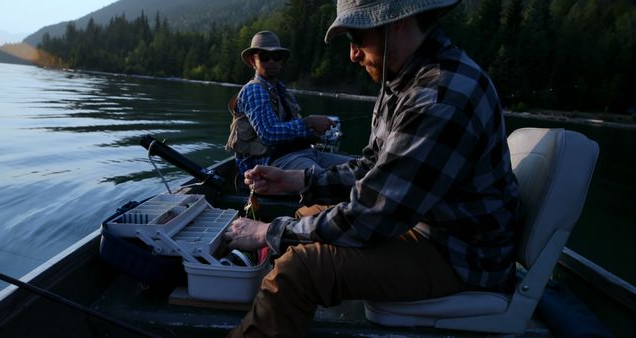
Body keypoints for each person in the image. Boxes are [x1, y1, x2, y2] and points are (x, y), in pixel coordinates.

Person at [223, 1, 523, 337]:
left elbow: (371, 216)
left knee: (299, 268)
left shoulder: (439, 97)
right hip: (427, 226)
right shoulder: (404, 80)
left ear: (397, 23)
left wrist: (267, 232)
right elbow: (371, 167)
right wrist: (298, 179)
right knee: (307, 211)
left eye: (357, 37)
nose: (352, 53)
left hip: (460, 258)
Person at [226, 30, 351, 176]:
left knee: (359, 169)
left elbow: (290, 130)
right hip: (267, 163)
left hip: (301, 154)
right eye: (264, 57)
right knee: (322, 178)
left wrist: (314, 135)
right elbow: (269, 133)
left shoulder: (283, 92)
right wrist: (308, 123)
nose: (271, 61)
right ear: (253, 62)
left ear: (282, 61)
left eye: (276, 57)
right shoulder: (255, 90)